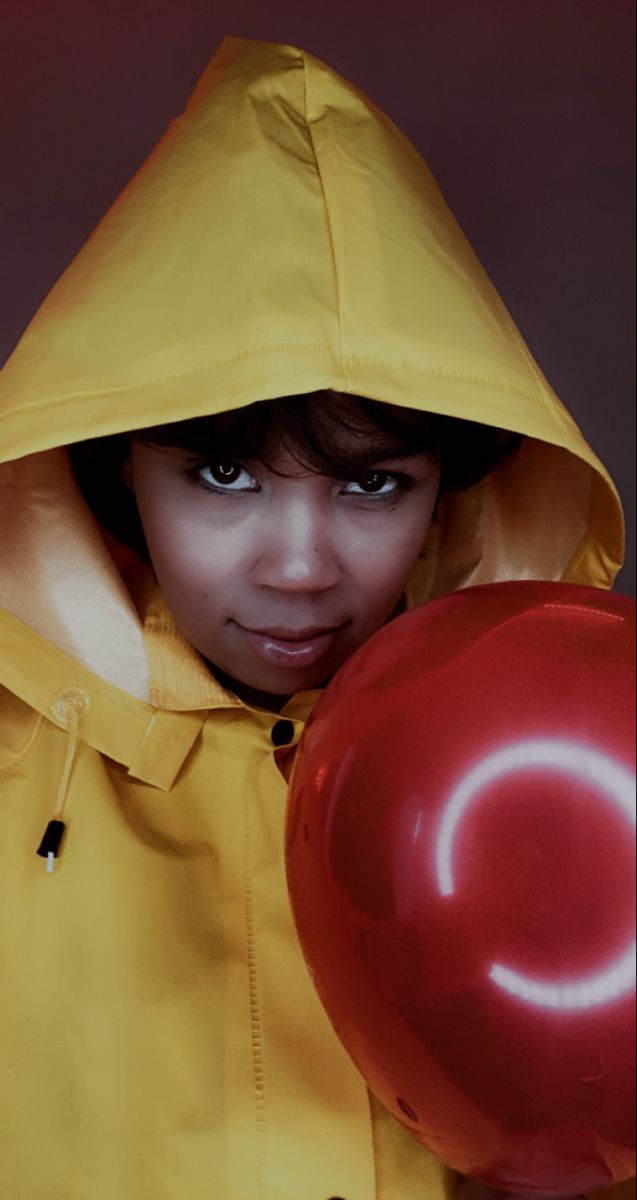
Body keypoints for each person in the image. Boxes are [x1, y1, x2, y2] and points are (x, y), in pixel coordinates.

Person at [0, 34, 631, 1200]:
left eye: (371, 483)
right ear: (113, 470)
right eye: (224, 477)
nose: (299, 568)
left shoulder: (583, 775)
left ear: (450, 480)